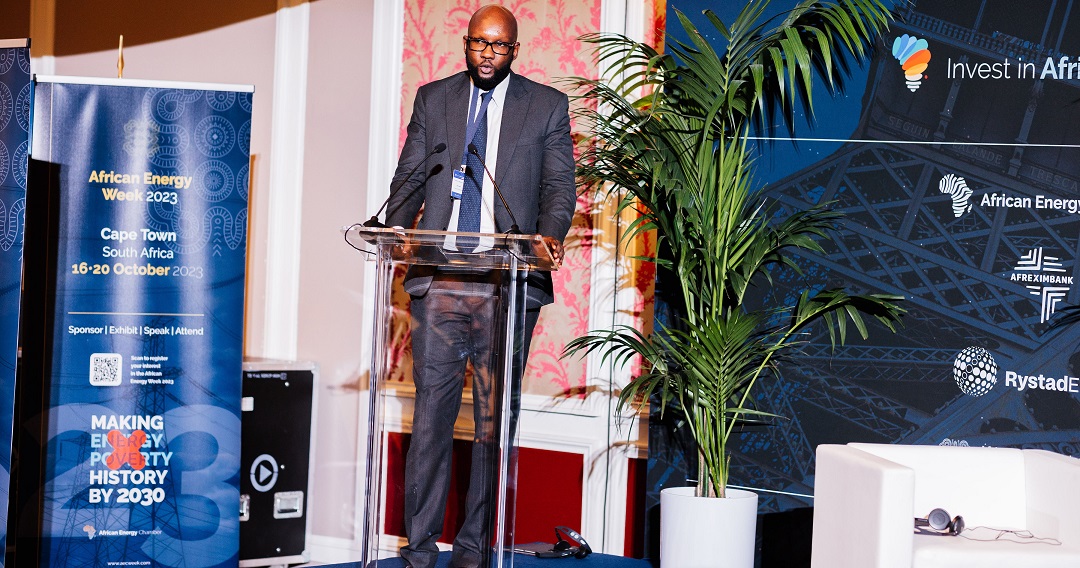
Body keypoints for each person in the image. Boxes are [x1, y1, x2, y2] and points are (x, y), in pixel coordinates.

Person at [383, 5, 576, 568]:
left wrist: (549, 235)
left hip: (505, 284)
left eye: (499, 45)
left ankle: (472, 551)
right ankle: (418, 552)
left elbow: (559, 186)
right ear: (465, 43)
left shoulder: (546, 106)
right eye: (478, 42)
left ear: (514, 50)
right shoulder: (434, 98)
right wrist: (394, 225)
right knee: (430, 421)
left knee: (492, 424)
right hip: (441, 278)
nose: (487, 53)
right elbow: (412, 173)